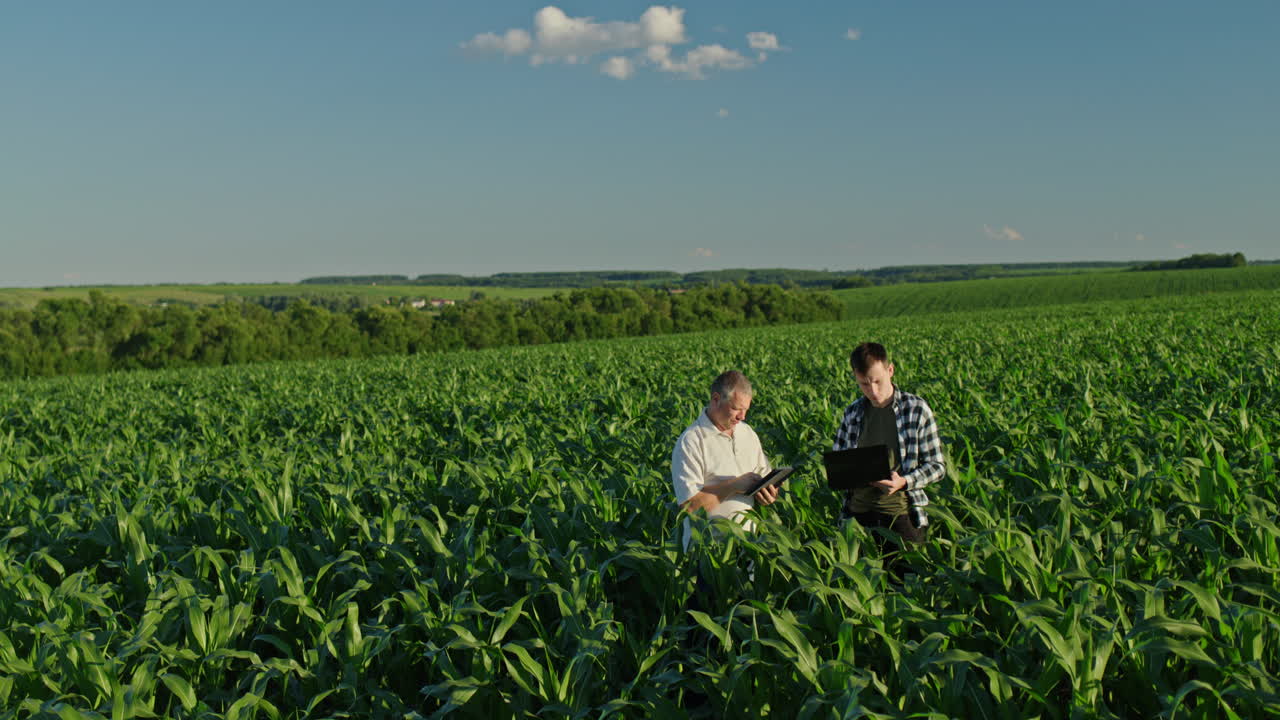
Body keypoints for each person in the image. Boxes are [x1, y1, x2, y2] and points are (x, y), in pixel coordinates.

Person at [832, 342, 945, 558]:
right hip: (858, 515)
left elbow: (937, 466)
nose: (872, 391)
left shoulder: (916, 409)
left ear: (890, 370)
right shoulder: (853, 413)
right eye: (864, 384)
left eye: (877, 381)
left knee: (907, 583)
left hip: (900, 515)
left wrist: (904, 481)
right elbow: (839, 461)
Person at [672, 370, 780, 551]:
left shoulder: (747, 433)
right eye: (737, 408)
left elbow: (763, 476)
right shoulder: (691, 441)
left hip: (749, 549)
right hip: (709, 556)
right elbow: (689, 507)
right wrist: (733, 486)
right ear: (716, 399)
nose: (742, 416)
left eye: (746, 410)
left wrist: (768, 493)